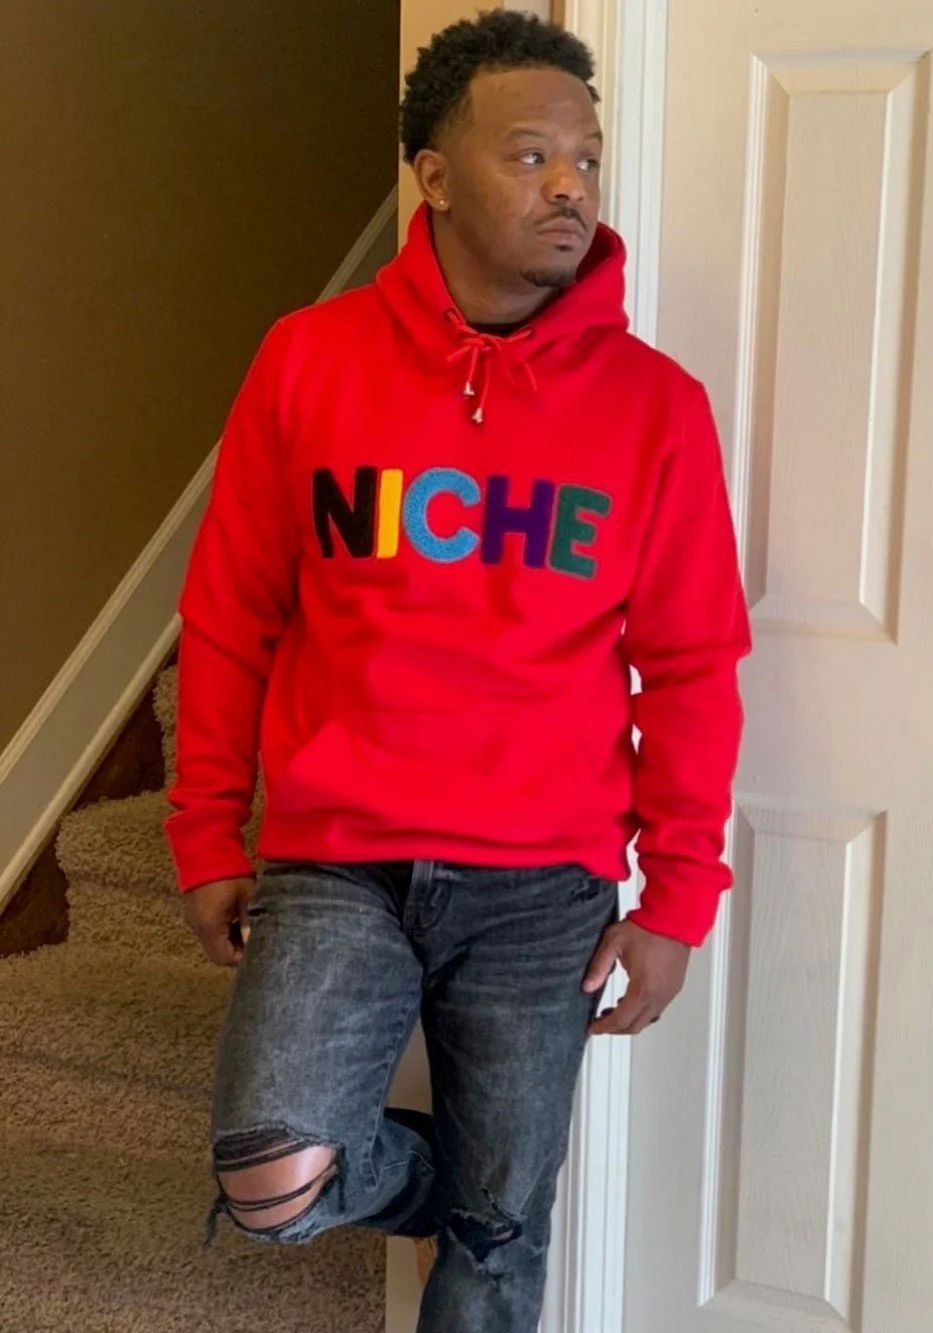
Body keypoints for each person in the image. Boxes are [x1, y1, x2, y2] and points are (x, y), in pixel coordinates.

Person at [167, 10, 750, 1332]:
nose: (569, 185)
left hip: (543, 884)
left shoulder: (654, 407)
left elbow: (692, 664)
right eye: (529, 155)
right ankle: (480, 1197)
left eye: (585, 158)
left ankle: (497, 1213)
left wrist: (677, 896)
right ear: (433, 174)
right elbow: (231, 613)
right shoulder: (308, 359)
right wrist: (204, 831)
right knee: (274, 1177)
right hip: (338, 859)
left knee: (496, 1266)